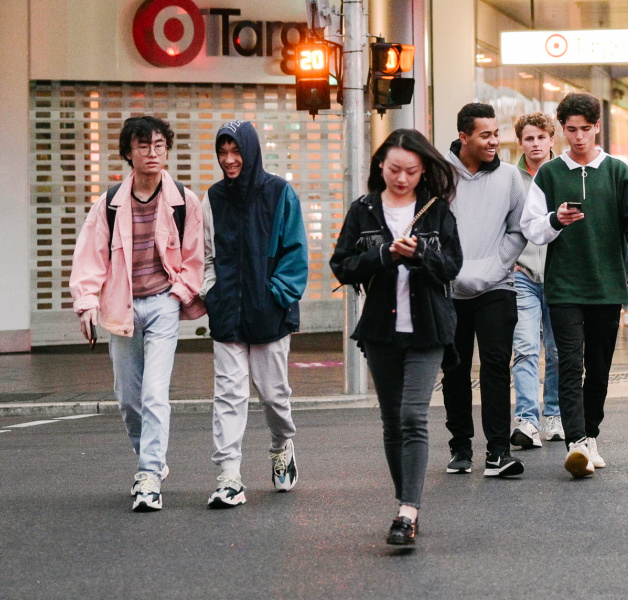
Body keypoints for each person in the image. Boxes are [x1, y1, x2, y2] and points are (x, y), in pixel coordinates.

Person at [330, 129, 462, 546]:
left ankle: (407, 511)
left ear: (423, 170)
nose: (402, 178)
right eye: (394, 170)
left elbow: (452, 266)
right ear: (380, 166)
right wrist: (383, 255)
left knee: (412, 417)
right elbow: (342, 265)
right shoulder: (363, 209)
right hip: (381, 331)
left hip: (428, 329)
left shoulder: (436, 210)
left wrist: (420, 253)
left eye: (411, 171)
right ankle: (406, 502)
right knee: (392, 422)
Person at [69, 116, 205, 511]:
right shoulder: (110, 202)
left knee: (154, 393)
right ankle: (151, 458)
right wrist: (87, 303)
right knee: (129, 399)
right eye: (143, 146)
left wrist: (178, 294)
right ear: (128, 153)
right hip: (121, 306)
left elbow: (195, 258)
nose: (152, 153)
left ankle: (148, 476)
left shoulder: (184, 201)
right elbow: (90, 257)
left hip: (163, 303)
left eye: (159, 145)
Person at [200, 120, 308, 508]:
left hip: (270, 314)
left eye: (236, 151)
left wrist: (275, 295)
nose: (229, 160)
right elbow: (206, 255)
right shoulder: (212, 198)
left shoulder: (279, 193)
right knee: (228, 394)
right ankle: (229, 476)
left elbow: (295, 253)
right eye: (223, 152)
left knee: (274, 396)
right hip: (227, 313)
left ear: (251, 151)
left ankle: (281, 444)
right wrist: (211, 293)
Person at [520, 92, 628, 478]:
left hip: (607, 285)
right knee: (570, 362)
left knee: (599, 368)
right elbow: (531, 227)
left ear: (597, 126)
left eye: (585, 129)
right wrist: (555, 219)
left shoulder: (618, 171)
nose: (578, 137)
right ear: (562, 130)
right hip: (564, 285)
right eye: (571, 130)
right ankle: (577, 442)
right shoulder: (550, 173)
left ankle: (591, 436)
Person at [441, 103, 528, 478]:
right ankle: (460, 447)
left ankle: (498, 452)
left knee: (495, 367)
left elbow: (519, 230)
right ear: (464, 137)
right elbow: (430, 231)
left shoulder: (509, 177)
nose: (494, 141)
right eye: (485, 135)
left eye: (496, 133)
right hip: (449, 289)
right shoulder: (439, 176)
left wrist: (495, 268)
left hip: (497, 286)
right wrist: (451, 271)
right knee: (455, 370)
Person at [510, 112, 563, 449]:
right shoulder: (510, 179)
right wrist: (508, 262)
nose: (535, 144)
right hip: (523, 276)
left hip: (560, 277)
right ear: (520, 142)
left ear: (551, 140)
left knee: (557, 351)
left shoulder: (562, 174)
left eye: (541, 137)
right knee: (526, 348)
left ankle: (554, 414)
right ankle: (527, 420)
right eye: (529, 138)